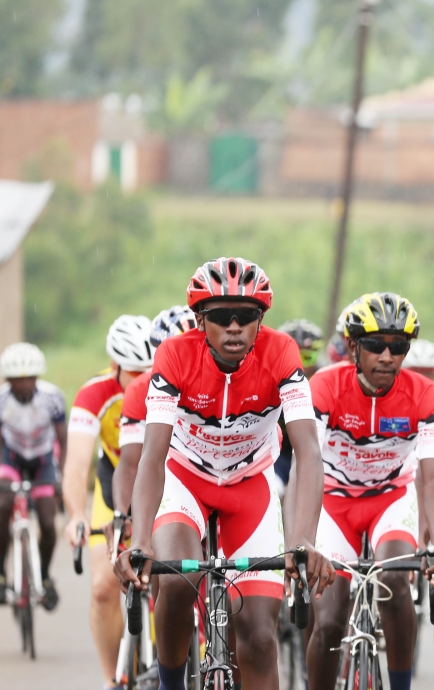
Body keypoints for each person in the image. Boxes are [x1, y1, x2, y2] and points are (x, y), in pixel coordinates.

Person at [113, 257, 336, 690]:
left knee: (257, 639)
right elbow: (153, 455)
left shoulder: (281, 352)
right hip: (185, 482)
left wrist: (303, 539)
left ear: (261, 320)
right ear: (200, 320)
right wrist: (139, 540)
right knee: (177, 582)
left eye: (246, 316)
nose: (234, 327)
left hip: (250, 486)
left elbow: (308, 450)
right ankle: (170, 684)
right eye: (220, 317)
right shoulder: (175, 355)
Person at [305, 292, 434, 690]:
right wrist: (302, 537)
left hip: (391, 499)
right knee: (330, 619)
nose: (387, 356)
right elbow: (308, 464)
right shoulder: (325, 386)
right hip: (333, 504)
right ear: (353, 346)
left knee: (394, 582)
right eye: (374, 345)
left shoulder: (424, 394)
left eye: (398, 346)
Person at [62, 314, 154, 689]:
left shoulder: (168, 384)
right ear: (115, 366)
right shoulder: (94, 394)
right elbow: (76, 465)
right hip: (114, 479)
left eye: (150, 369)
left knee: (171, 577)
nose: (143, 380)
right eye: (134, 372)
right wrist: (74, 515)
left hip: (161, 479)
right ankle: (111, 679)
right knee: (102, 585)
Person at [113, 305, 198, 522]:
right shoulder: (139, 389)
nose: (180, 362)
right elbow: (131, 464)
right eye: (169, 354)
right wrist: (122, 515)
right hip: (168, 480)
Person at [0, 342, 67, 608]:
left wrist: (60, 476)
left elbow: (63, 437)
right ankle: (2, 572)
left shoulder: (52, 397)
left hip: (42, 459)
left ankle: (44, 575)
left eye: (30, 377)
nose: (25, 384)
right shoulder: (2, 399)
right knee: (3, 504)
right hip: (11, 457)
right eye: (18, 379)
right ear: (9, 380)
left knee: (49, 522)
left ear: (37, 376)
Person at [275, 318, 326, 490]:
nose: (299, 364)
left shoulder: (325, 383)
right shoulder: (270, 376)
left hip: (317, 454)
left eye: (307, 357)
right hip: (278, 455)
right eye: (292, 355)